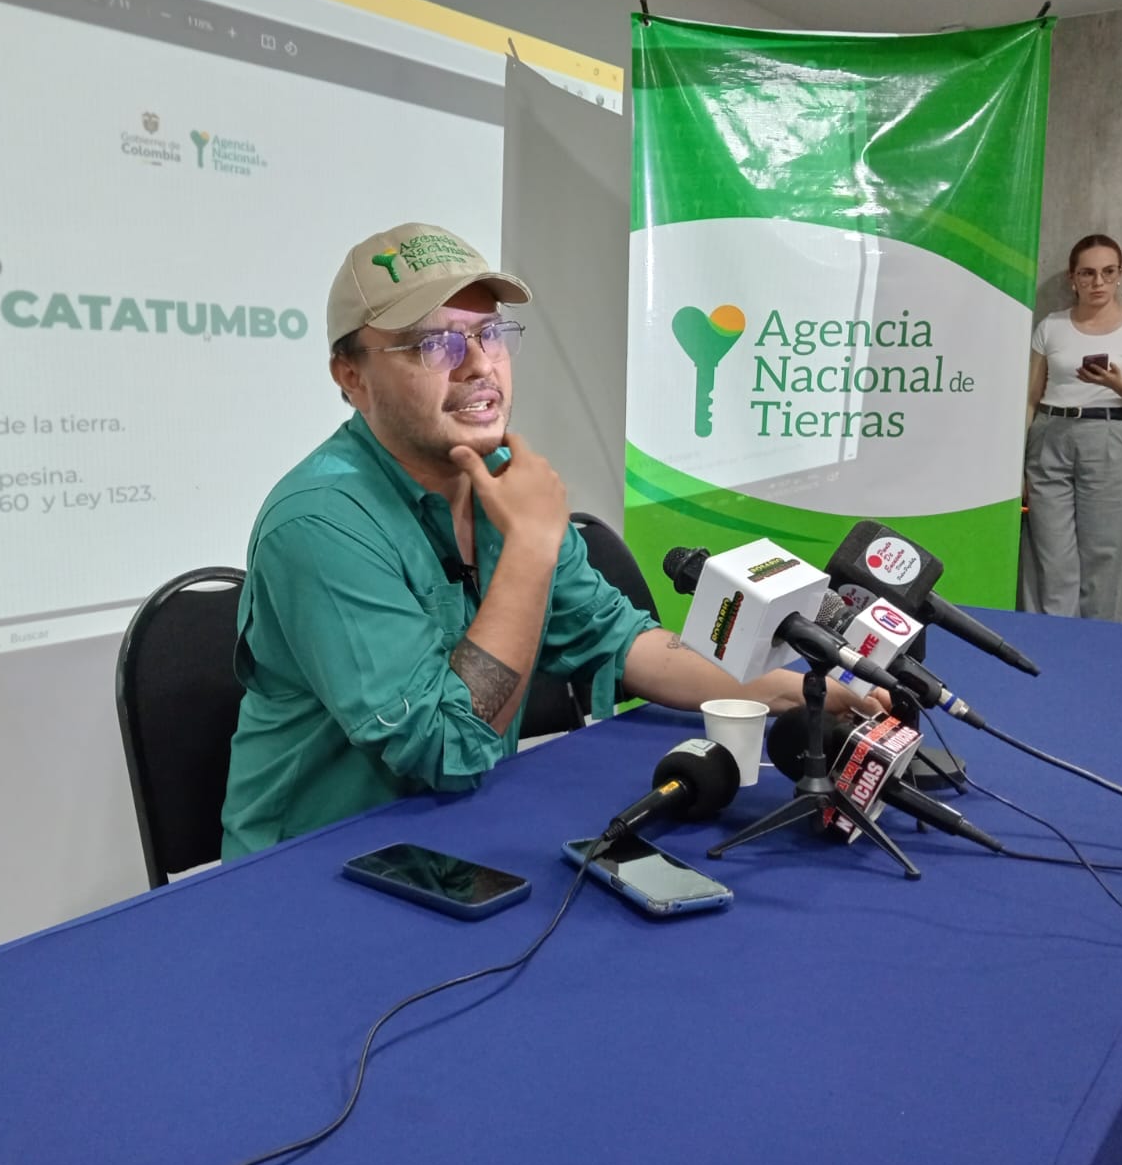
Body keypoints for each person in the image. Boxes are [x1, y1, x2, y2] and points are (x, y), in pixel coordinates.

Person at [221, 222, 882, 857]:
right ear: (351, 376)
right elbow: (446, 745)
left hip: (455, 835)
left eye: (490, 334)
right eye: (435, 344)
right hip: (318, 869)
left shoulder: (500, 483)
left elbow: (619, 639)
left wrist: (789, 689)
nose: (479, 365)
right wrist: (532, 547)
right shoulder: (320, 523)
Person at [1024, 234, 1122, 618]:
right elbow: (1030, 398)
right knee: (1051, 553)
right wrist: (1017, 459)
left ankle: (1094, 642)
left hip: (1107, 435)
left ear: (1121, 274)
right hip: (1050, 434)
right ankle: (1054, 641)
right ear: (1073, 278)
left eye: (1108, 272)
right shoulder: (1051, 326)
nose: (1098, 282)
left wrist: (1119, 385)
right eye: (1087, 273)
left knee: (1103, 553)